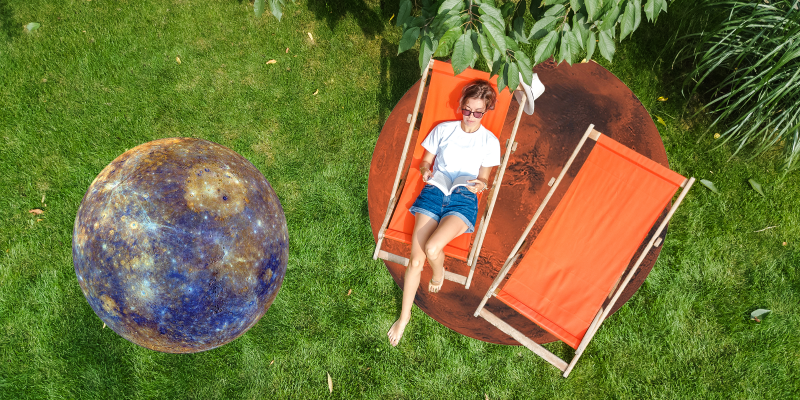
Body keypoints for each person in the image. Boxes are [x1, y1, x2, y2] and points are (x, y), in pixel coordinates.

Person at [387, 79, 501, 347]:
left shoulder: (489, 142)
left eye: (478, 112)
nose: (471, 117)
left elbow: (484, 179)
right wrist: (426, 171)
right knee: (416, 261)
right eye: (467, 110)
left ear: (486, 112)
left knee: (433, 248)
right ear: (462, 105)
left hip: (462, 198)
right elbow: (426, 161)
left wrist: (480, 184)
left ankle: (439, 274)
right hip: (435, 191)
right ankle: (404, 318)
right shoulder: (444, 130)